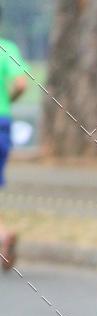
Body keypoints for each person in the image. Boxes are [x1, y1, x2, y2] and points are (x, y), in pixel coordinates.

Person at [0, 3, 27, 270]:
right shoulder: (8, 48)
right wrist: (7, 100)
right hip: (3, 121)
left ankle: (2, 235)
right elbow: (21, 83)